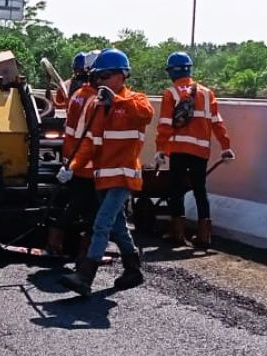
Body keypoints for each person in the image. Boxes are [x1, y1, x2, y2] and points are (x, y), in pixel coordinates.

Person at [57, 48, 154, 296]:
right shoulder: (97, 107)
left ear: (122, 75)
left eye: (105, 76)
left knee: (101, 224)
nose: (100, 82)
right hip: (102, 177)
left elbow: (146, 114)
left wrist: (116, 100)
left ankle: (85, 276)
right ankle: (133, 270)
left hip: (124, 176)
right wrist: (72, 167)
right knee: (118, 227)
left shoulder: (136, 100)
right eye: (98, 77)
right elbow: (89, 144)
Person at [154, 51, 235, 248]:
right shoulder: (207, 93)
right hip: (201, 151)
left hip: (179, 149)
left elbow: (165, 124)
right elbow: (217, 123)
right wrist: (226, 146)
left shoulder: (171, 93)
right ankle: (204, 236)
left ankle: (177, 234)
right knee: (200, 190)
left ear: (172, 71)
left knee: (176, 190)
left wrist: (160, 149)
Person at [47, 52, 100, 257]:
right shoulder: (93, 99)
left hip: (72, 157)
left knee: (74, 203)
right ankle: (83, 251)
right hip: (85, 163)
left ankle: (58, 243)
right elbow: (89, 138)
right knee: (86, 208)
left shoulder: (77, 94)